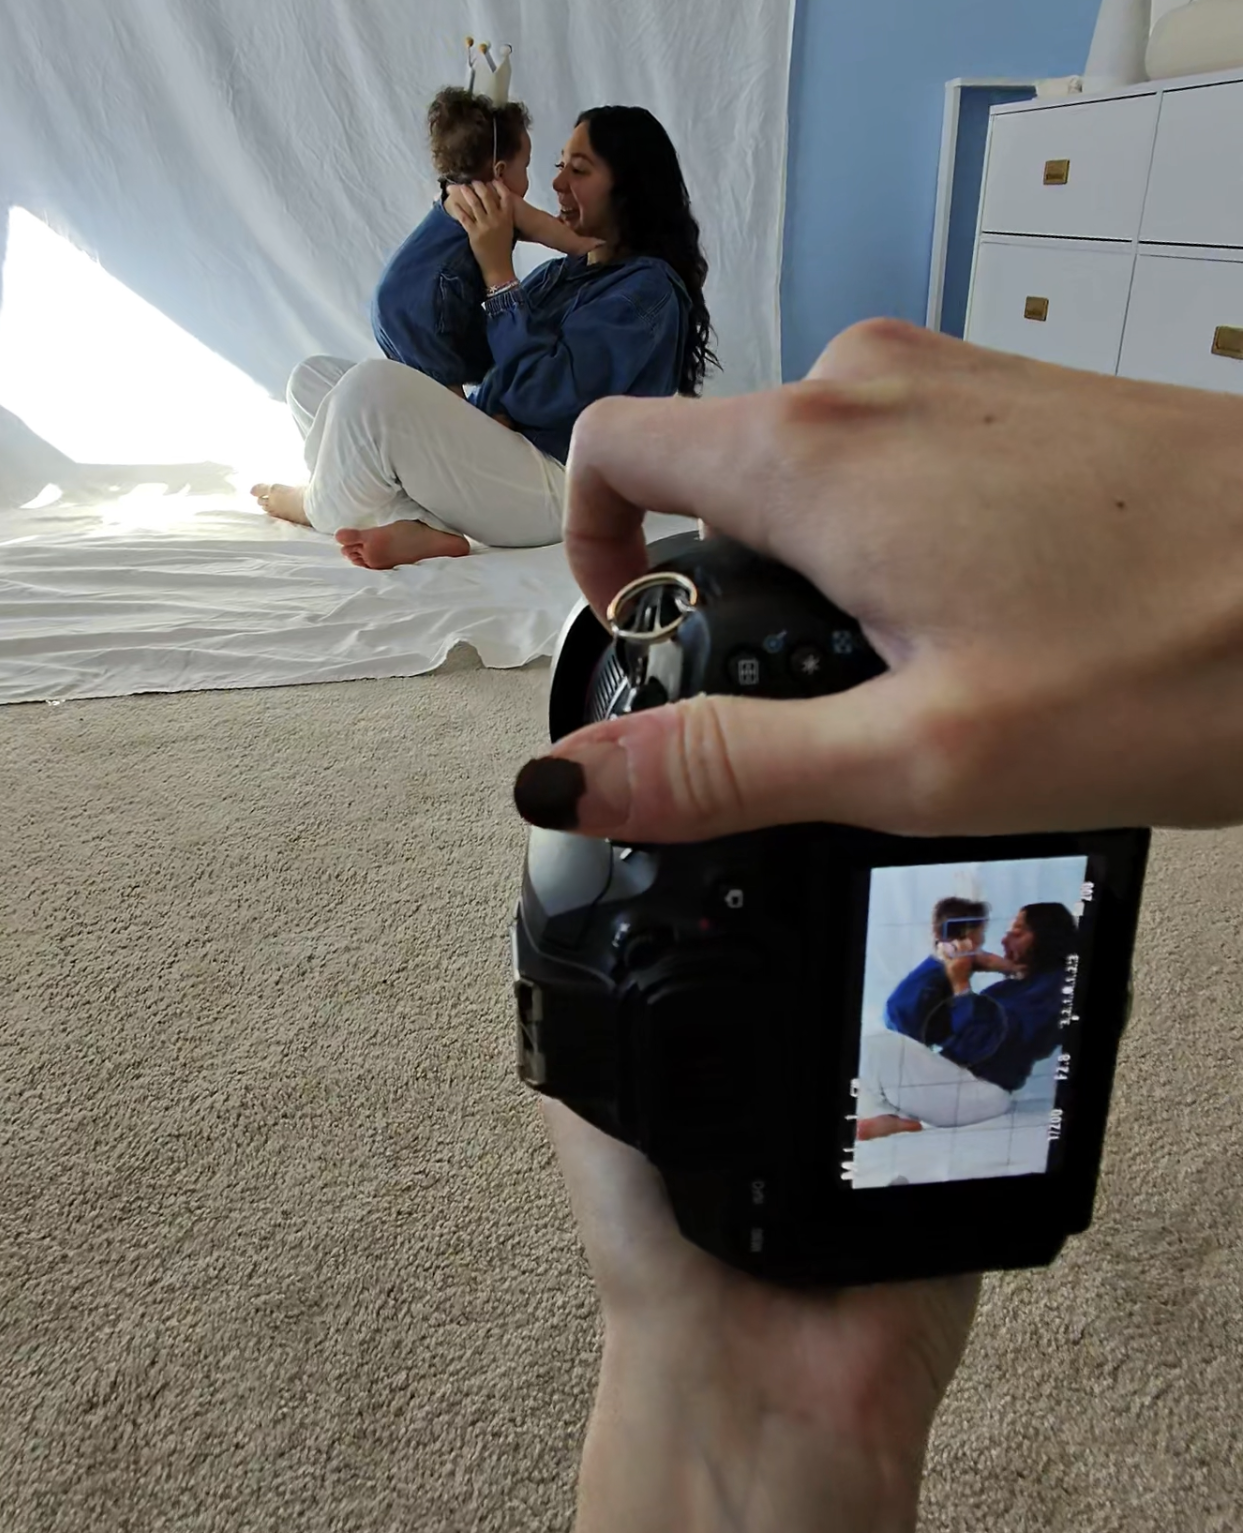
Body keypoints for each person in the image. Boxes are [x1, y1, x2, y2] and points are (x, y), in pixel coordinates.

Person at [509, 317, 1243, 1531]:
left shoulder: (1003, 1006)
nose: (990, 938)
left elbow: (944, 1040)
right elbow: (919, 1022)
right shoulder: (980, 986)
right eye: (988, 937)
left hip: (925, 1115)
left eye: (1002, 937)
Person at [252, 106, 714, 571]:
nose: (556, 184)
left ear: (629, 187)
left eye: (578, 170)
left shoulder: (648, 291)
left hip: (565, 490)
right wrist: (453, 234)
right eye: (558, 167)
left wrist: (498, 273)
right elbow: (468, 357)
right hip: (506, 457)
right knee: (314, 379)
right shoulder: (564, 274)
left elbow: (539, 396)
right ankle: (421, 522)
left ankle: (315, 505)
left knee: (370, 391)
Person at [368, 85, 600, 395]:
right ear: (501, 171)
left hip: (390, 299)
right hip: (429, 309)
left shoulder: (452, 193)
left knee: (420, 395)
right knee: (451, 410)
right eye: (526, 166)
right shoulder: (500, 201)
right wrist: (595, 246)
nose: (530, 178)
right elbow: (556, 235)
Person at [858, 901, 1077, 1141]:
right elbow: (902, 1019)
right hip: (958, 1083)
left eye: (1017, 932)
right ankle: (889, 1119)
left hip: (983, 1093)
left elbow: (988, 1042)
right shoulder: (1005, 990)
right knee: (871, 1046)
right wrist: (942, 963)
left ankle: (889, 1117)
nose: (1004, 941)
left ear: (1046, 937)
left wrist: (961, 986)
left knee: (877, 1048)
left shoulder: (1059, 988)